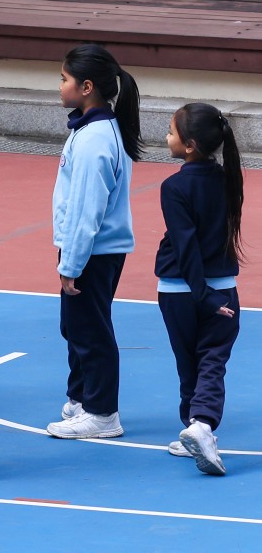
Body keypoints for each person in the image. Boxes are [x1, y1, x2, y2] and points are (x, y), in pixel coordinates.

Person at [47, 43, 142, 440]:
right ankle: (83, 398)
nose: (59, 85)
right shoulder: (92, 130)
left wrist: (71, 264)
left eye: (65, 79)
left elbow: (87, 211)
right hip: (90, 250)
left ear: (87, 87)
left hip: (93, 252)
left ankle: (102, 413)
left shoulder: (94, 140)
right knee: (77, 326)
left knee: (91, 330)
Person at [156, 103, 244, 476]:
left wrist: (200, 294)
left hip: (178, 290)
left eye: (171, 132)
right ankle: (201, 424)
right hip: (220, 288)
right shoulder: (229, 179)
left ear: (189, 144)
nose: (166, 137)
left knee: (189, 360)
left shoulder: (174, 186)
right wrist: (209, 295)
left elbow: (184, 244)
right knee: (212, 359)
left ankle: (196, 424)